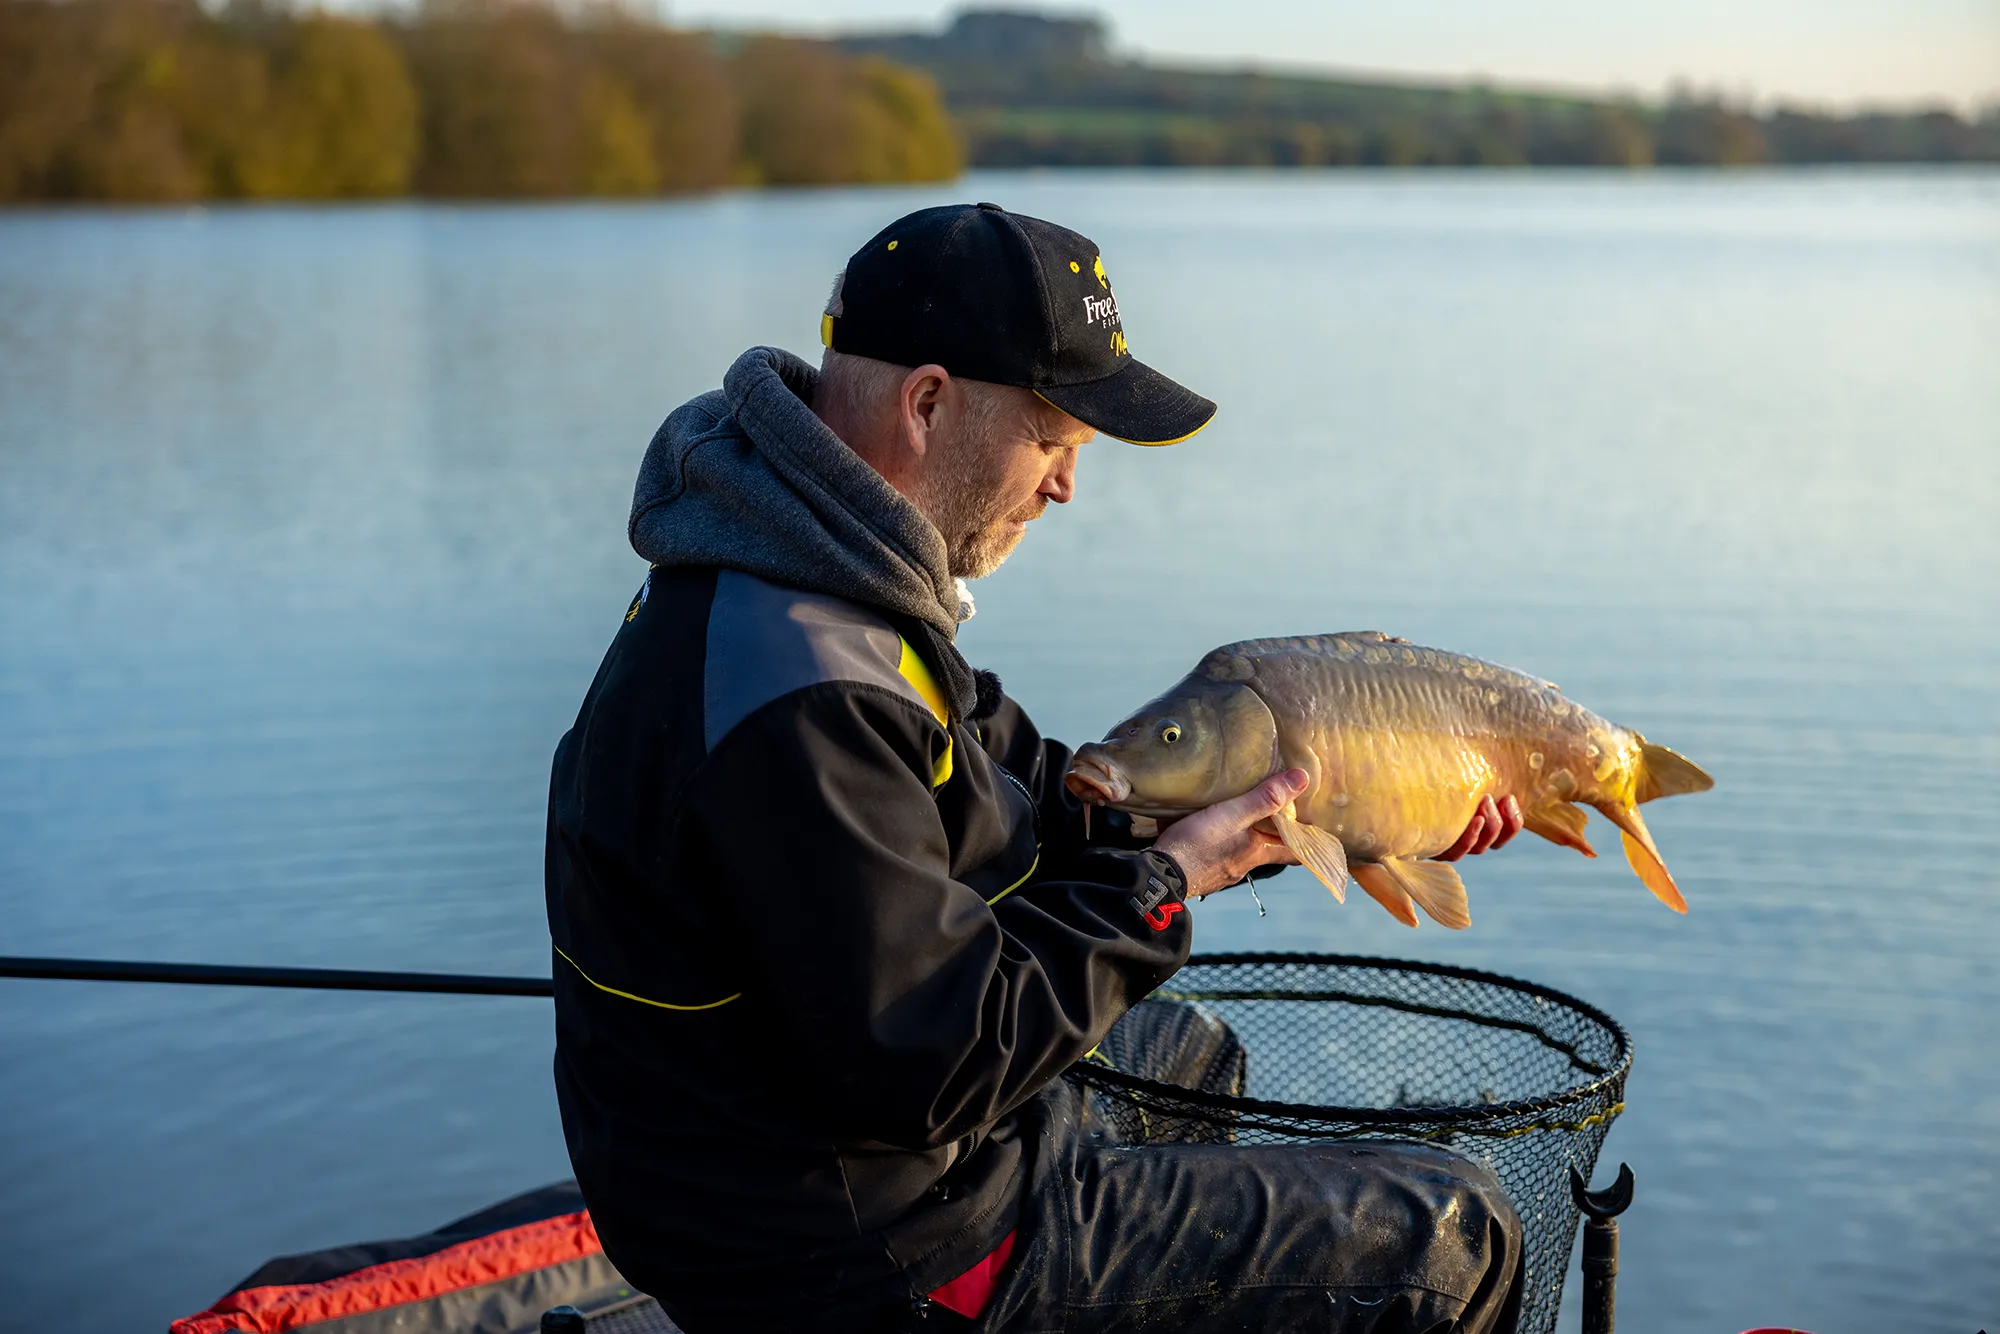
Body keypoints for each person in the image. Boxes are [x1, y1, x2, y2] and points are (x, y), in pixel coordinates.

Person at [544, 202, 1527, 1334]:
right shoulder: (808, 691)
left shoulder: (815, 573)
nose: (1066, 486)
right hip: (852, 1246)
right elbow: (933, 1058)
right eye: (1054, 441)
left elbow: (1039, 794)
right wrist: (1166, 884)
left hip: (831, 1149)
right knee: (1452, 1233)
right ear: (926, 404)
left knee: (1185, 1052)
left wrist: (1282, 803)